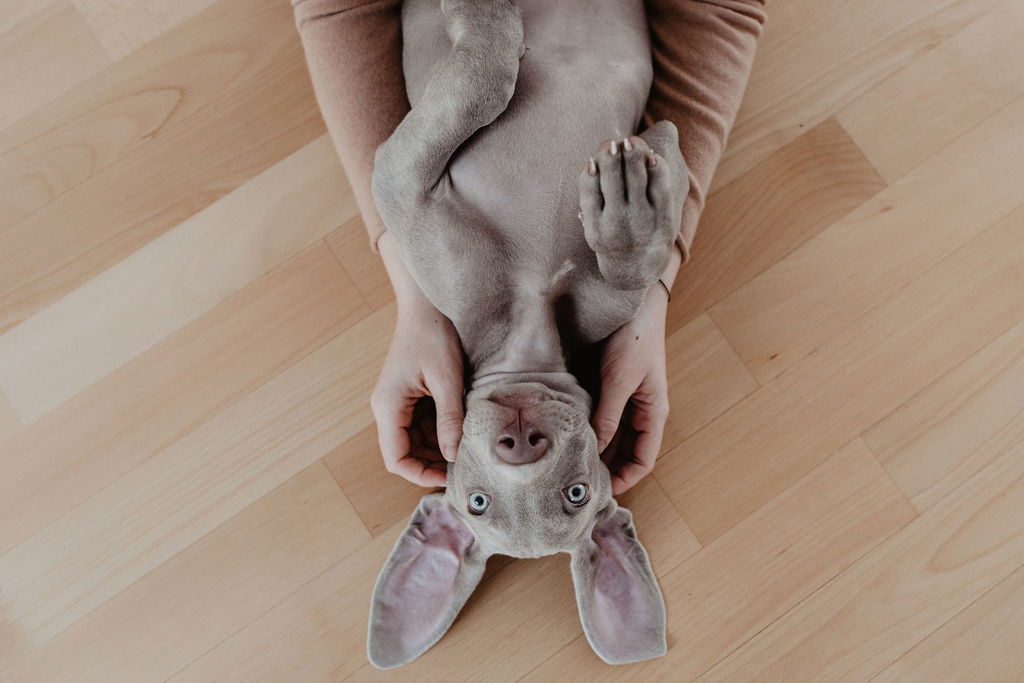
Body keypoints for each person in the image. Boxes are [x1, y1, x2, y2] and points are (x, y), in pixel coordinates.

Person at [292, 0, 765, 493]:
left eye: (482, 500)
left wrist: (483, 67)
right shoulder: (615, 295)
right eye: (572, 495)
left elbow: (395, 181)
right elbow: (665, 141)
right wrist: (647, 255)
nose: (523, 464)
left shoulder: (453, 285)